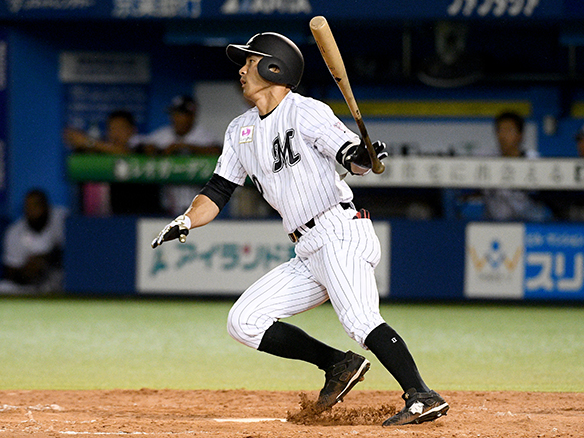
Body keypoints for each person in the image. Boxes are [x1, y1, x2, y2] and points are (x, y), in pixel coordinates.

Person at [151, 32, 449, 427]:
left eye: (250, 61)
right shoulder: (239, 130)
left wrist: (363, 155)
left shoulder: (306, 111)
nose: (242, 70)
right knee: (244, 321)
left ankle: (422, 395)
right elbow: (218, 190)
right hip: (307, 249)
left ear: (274, 67)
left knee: (360, 320)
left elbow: (350, 156)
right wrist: (187, 218)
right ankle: (338, 364)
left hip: (339, 231)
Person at [63, 110, 161, 216]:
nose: (116, 133)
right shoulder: (98, 152)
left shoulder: (142, 149)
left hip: (137, 217)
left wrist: (88, 142)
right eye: (112, 128)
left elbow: (124, 153)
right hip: (99, 218)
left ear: (132, 130)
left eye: (121, 128)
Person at [142, 95, 222, 216]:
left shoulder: (203, 135)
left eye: (180, 114)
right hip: (168, 206)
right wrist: (161, 151)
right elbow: (143, 146)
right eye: (174, 114)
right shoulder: (164, 134)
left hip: (198, 205)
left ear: (192, 116)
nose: (176, 118)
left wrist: (186, 147)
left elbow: (217, 150)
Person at [481, 111, 552, 221]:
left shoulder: (533, 160)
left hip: (528, 224)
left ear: (520, 135)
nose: (502, 136)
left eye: (509, 130)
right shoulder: (487, 161)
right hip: (494, 224)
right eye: (500, 130)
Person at [0, 189, 67, 294]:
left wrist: (46, 258)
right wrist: (28, 270)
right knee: (4, 287)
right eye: (28, 207)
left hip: (60, 281)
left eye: (36, 205)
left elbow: (74, 253)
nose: (32, 211)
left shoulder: (63, 219)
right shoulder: (14, 231)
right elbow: (10, 272)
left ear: (46, 206)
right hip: (30, 286)